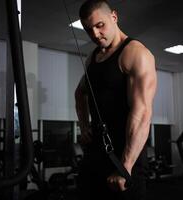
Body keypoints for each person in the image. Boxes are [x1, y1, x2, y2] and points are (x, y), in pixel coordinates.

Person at [74, 0, 157, 199]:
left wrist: (125, 165)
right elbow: (80, 93)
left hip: (126, 153)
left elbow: (142, 113)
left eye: (99, 25)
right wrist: (84, 125)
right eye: (88, 29)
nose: (94, 34)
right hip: (96, 153)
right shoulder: (92, 58)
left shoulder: (135, 53)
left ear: (114, 17)